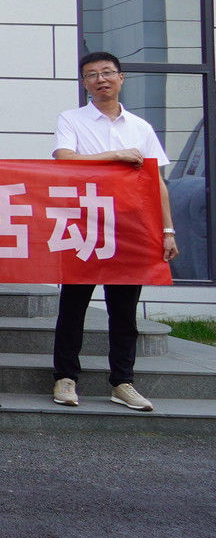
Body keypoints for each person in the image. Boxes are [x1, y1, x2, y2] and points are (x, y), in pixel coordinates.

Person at [50, 51, 178, 412]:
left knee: (123, 311)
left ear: (121, 78)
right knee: (73, 306)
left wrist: (168, 230)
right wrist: (116, 156)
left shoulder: (140, 127)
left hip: (130, 229)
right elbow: (64, 158)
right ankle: (65, 377)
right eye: (92, 75)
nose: (100, 79)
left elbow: (156, 182)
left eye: (107, 72)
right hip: (84, 225)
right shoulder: (72, 119)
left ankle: (122, 381)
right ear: (84, 83)